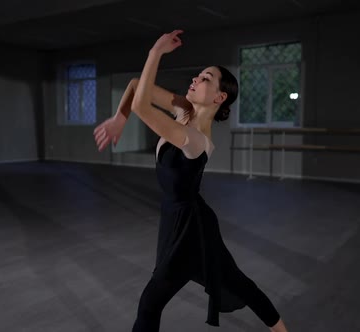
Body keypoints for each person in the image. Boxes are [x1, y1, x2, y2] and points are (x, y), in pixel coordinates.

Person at [93, 30, 288, 332]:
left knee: (151, 303)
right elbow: (135, 87)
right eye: (197, 75)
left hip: (188, 230)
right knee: (237, 282)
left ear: (219, 97)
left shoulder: (194, 138)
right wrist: (119, 118)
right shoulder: (183, 110)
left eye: (206, 78)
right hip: (181, 220)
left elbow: (142, 106)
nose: (196, 80)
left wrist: (155, 53)